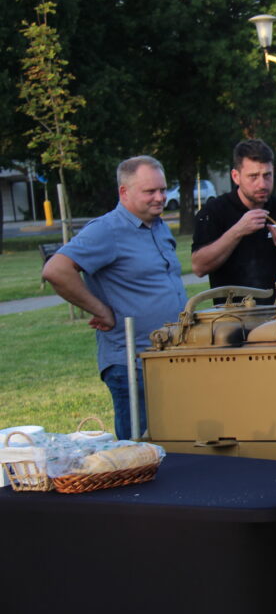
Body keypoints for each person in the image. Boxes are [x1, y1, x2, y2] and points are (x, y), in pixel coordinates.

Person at [42, 156, 187, 440]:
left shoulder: (158, 226)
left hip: (168, 358)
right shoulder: (106, 230)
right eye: (150, 191)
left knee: (176, 446)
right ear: (124, 192)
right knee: (138, 452)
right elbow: (56, 270)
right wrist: (101, 310)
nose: (160, 197)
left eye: (162, 189)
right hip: (132, 364)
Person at [191, 139, 276, 303]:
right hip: (232, 314)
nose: (262, 184)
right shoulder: (214, 212)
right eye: (253, 176)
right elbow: (199, 267)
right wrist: (238, 231)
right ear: (236, 176)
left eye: (267, 175)